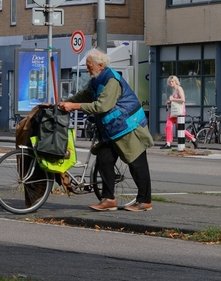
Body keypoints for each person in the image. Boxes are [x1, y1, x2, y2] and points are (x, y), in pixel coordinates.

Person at [58, 48, 154, 212]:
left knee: (137, 165)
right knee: (104, 160)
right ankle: (109, 199)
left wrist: (73, 106)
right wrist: (64, 103)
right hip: (112, 129)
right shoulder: (97, 80)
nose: (87, 70)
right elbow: (84, 95)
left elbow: (102, 106)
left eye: (89, 66)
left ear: (100, 65)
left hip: (128, 127)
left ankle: (145, 201)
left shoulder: (111, 81)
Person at [160, 75, 198, 149]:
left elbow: (183, 100)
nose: (171, 83)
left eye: (172, 81)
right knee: (169, 125)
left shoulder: (179, 89)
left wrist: (172, 99)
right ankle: (168, 143)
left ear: (176, 81)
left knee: (180, 128)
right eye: (170, 81)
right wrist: (170, 102)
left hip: (180, 111)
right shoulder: (174, 90)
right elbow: (176, 101)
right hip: (174, 111)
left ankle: (193, 139)